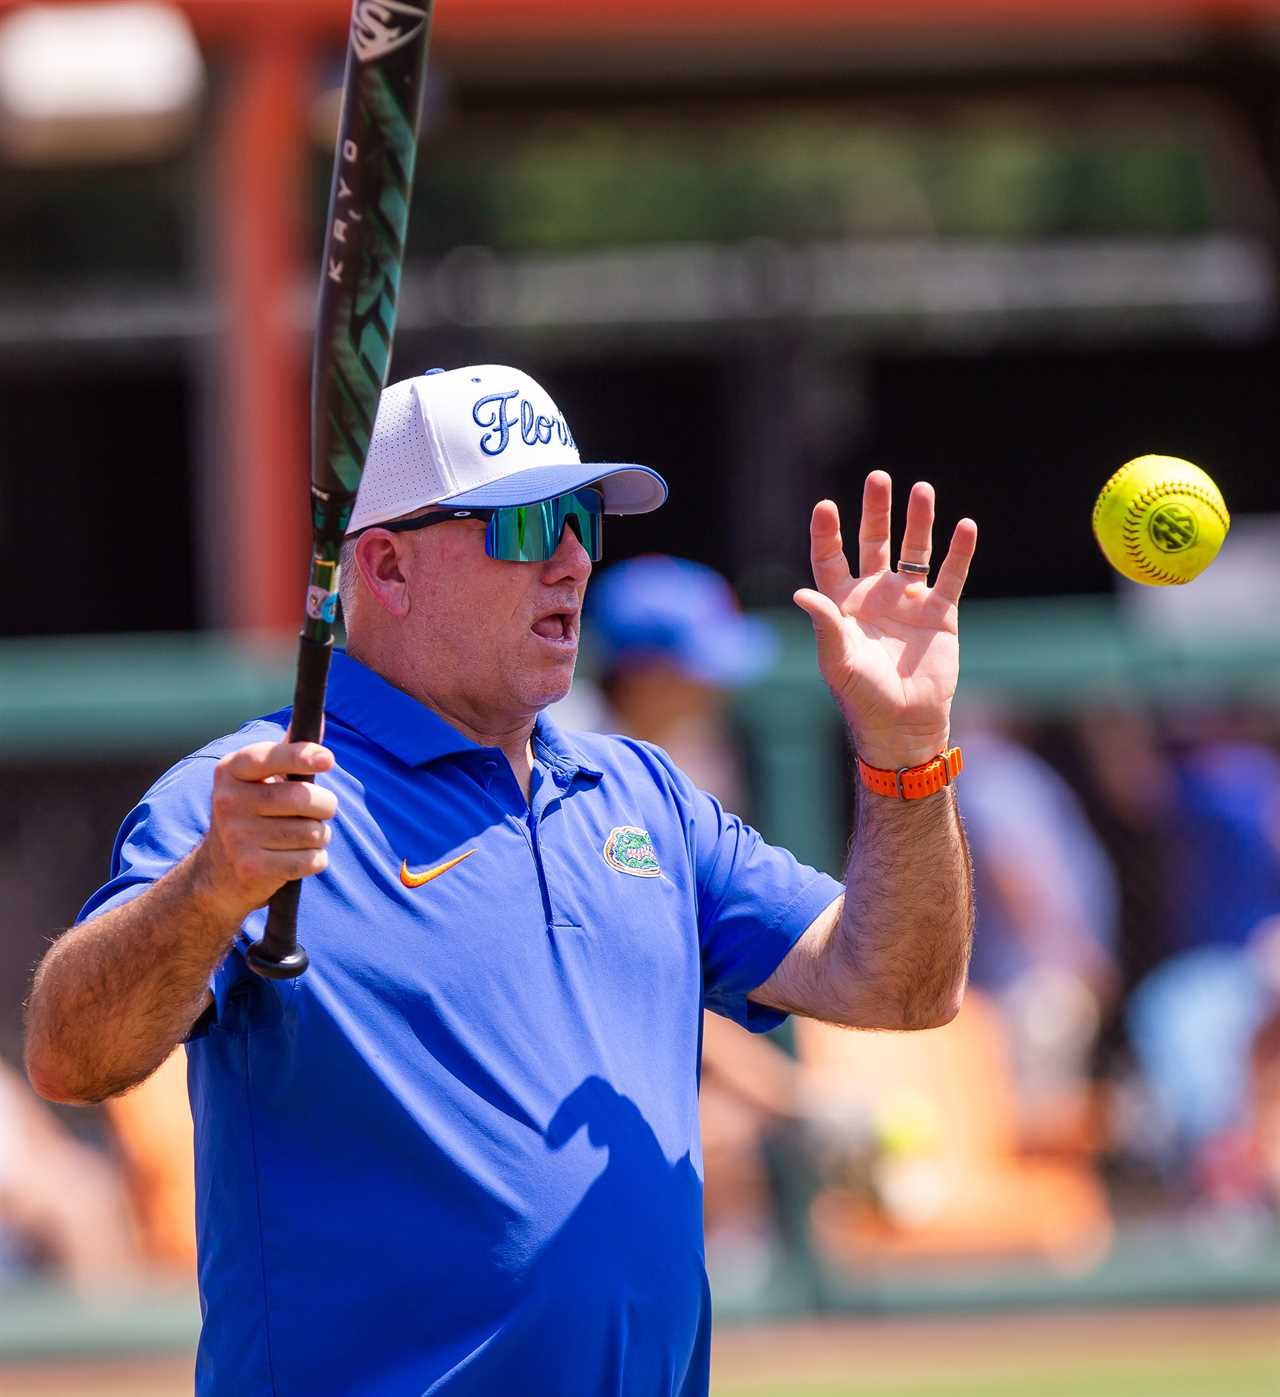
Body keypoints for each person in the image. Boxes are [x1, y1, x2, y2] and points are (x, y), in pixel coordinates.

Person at [24, 364, 977, 1397]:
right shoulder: (248, 800)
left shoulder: (637, 791)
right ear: (385, 567)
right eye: (525, 526)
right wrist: (208, 887)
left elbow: (901, 984)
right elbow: (71, 1055)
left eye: (580, 517)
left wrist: (905, 754)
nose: (571, 560)